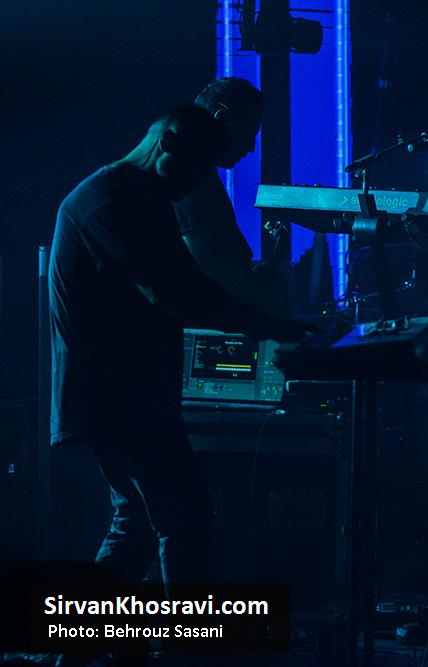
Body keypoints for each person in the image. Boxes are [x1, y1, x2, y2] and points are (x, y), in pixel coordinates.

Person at [48, 103, 314, 599]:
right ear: (166, 142)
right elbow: (175, 292)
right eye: (196, 168)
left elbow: (184, 284)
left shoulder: (132, 196)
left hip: (122, 393)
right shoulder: (112, 203)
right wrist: (272, 326)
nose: (195, 184)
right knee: (184, 516)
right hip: (121, 396)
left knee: (138, 521)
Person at [173, 77, 290, 316]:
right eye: (249, 133)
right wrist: (254, 292)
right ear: (221, 118)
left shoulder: (199, 175)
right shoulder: (190, 178)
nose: (251, 147)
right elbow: (203, 268)